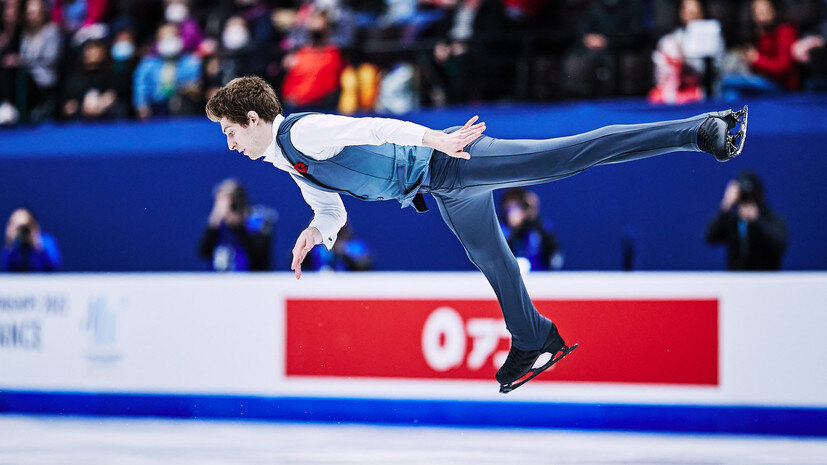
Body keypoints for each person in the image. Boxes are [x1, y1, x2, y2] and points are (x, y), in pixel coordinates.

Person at [205, 75, 748, 393]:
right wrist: (313, 232)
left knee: (566, 155)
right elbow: (330, 210)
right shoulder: (284, 158)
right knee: (492, 258)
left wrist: (436, 142)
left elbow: (376, 127)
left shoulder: (306, 131)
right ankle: (535, 338)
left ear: (254, 118)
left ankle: (699, 130)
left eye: (230, 132)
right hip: (439, 187)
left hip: (450, 160)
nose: (229, 144)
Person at [705, 171, 787, 270]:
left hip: (766, 280)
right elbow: (710, 237)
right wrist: (726, 205)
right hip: (736, 281)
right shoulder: (732, 221)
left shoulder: (773, 220)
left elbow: (779, 245)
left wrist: (757, 220)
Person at [720, 0, 798, 99]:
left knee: (728, 81)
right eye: (756, 10)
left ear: (773, 9)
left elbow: (783, 67)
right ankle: (735, 113)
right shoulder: (757, 34)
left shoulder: (784, 31)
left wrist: (757, 59)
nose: (761, 12)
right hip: (763, 81)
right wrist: (748, 60)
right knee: (732, 92)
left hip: (782, 85)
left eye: (765, 8)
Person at [197, 178, 275, 272]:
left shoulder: (256, 220)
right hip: (217, 280)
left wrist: (239, 225)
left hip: (251, 280)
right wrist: (214, 222)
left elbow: (260, 255)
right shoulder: (217, 225)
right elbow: (203, 252)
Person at [499, 188, 560, 272]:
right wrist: (513, 230)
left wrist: (532, 217)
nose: (513, 211)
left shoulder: (540, 228)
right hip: (509, 278)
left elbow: (554, 255)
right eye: (510, 207)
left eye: (518, 206)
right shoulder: (500, 231)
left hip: (539, 277)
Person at [2, 207, 61, 272]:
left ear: (33, 225)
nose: (22, 231)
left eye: (25, 228)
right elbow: (7, 269)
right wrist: (9, 245)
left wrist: (37, 245)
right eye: (18, 228)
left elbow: (53, 265)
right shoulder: (13, 246)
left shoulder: (46, 242)